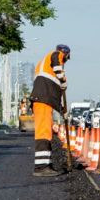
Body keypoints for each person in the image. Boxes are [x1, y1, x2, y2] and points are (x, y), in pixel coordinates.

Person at [29, 44, 71, 177]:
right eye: (66, 58)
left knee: (46, 132)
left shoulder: (46, 66)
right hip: (42, 101)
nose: (65, 62)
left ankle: (46, 164)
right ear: (65, 54)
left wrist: (62, 110)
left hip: (44, 101)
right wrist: (63, 80)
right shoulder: (56, 55)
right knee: (43, 133)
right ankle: (41, 167)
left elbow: (52, 93)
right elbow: (58, 69)